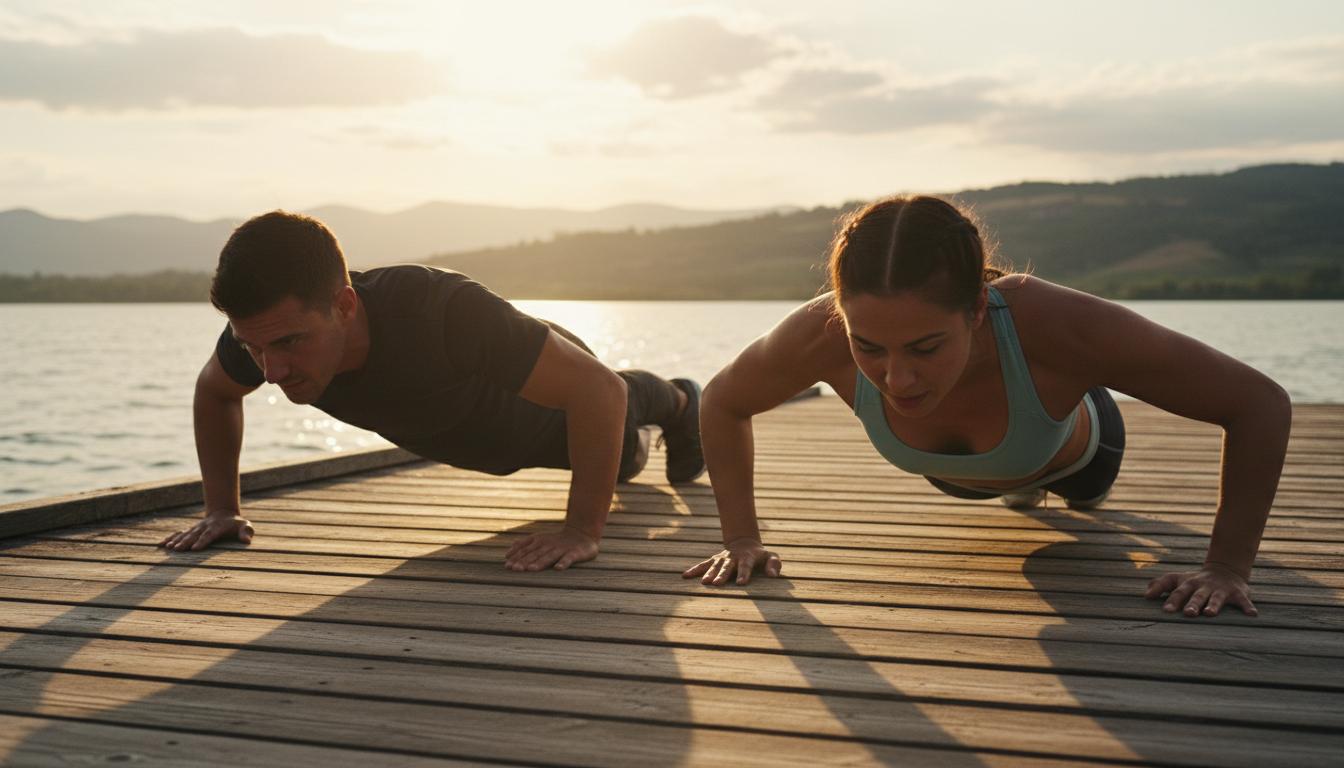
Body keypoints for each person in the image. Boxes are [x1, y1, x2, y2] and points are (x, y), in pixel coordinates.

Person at [683, 195, 1291, 618]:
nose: (896, 378)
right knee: (1002, 487)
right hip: (957, 478)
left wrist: (1227, 568)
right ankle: (1014, 487)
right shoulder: (815, 333)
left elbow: (1259, 404)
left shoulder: (1059, 324)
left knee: (1079, 510)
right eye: (867, 346)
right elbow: (722, 401)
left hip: (1075, 454)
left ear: (976, 310)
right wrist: (741, 538)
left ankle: (1050, 473)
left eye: (925, 347)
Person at [158, 210, 704, 571]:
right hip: (487, 440)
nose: (271, 371)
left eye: (290, 343)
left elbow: (597, 392)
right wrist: (221, 509)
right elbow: (216, 393)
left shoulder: (442, 311)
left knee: (624, 432)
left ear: (344, 306)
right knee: (622, 452)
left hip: (547, 406)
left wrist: (582, 530)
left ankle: (680, 401)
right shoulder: (261, 335)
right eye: (255, 350)